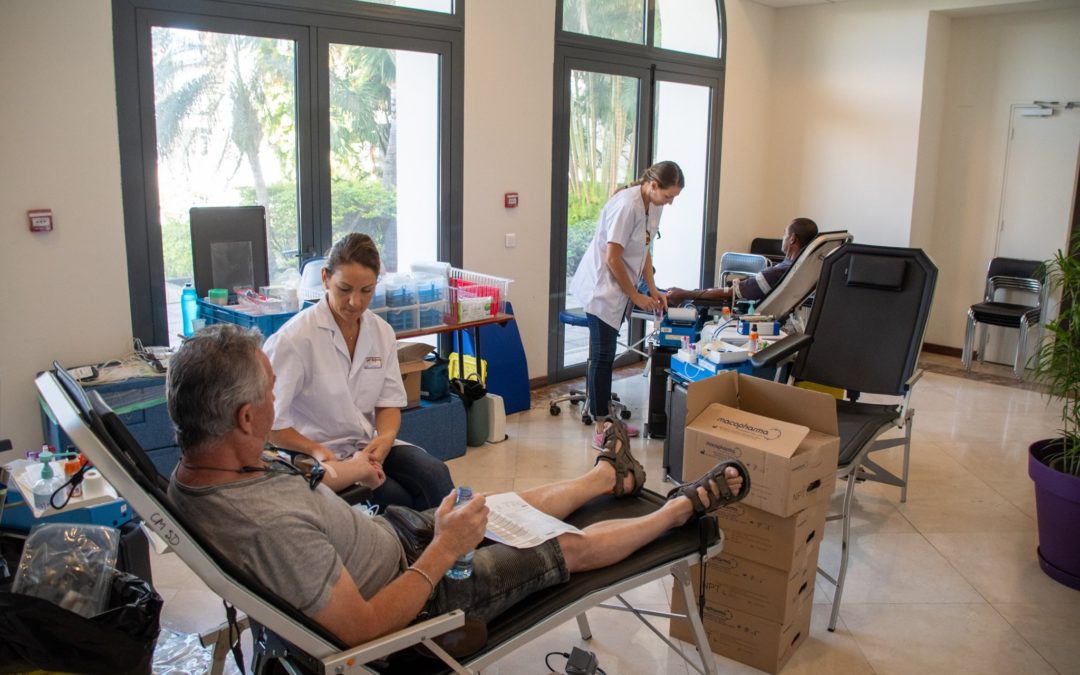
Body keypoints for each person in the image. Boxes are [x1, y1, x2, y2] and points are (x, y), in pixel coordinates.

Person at [166, 324, 749, 651]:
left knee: (499, 506)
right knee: (562, 547)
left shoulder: (203, 467)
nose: (278, 402)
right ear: (244, 417)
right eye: (270, 394)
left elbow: (309, 484)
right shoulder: (269, 529)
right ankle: (677, 511)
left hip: (395, 540)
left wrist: (341, 470)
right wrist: (445, 549)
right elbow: (363, 629)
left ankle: (606, 476)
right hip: (424, 595)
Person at [262, 233, 453, 511]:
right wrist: (316, 449)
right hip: (317, 454)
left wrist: (385, 439)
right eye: (344, 289)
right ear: (325, 278)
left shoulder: (380, 331)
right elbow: (271, 426)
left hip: (366, 445)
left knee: (435, 476)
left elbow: (388, 403)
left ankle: (453, 549)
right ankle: (421, 550)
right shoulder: (294, 340)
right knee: (397, 499)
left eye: (366, 291)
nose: (355, 302)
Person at [569, 161, 685, 440]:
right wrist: (635, 296)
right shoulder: (627, 205)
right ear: (653, 185)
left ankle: (608, 419)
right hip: (602, 289)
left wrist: (653, 289)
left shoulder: (652, 205)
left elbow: (644, 250)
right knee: (602, 357)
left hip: (619, 290)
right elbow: (612, 257)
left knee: (605, 356)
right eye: (669, 196)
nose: (669, 203)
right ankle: (602, 427)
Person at [666, 218, 819, 307]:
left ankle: (655, 295)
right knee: (666, 291)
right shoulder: (800, 269)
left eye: (785, 233)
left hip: (741, 306)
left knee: (666, 295)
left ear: (792, 239)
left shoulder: (778, 272)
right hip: (747, 291)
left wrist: (684, 294)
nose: (783, 237)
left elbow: (730, 294)